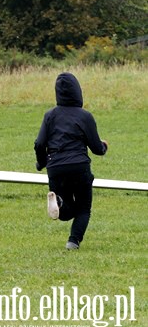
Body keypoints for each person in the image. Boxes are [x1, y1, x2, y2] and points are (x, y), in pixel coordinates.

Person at [34, 72, 108, 250]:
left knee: (65, 211)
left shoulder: (49, 115)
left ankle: (58, 202)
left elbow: (39, 143)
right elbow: (97, 149)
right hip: (79, 166)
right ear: (78, 91)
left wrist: (41, 163)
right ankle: (73, 242)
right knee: (83, 209)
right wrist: (104, 146)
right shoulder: (85, 116)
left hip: (55, 167)